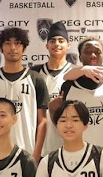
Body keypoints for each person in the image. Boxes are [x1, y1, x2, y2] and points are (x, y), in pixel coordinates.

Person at [50, 37, 103, 157]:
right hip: (76, 154)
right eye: (87, 52)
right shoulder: (69, 85)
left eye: (97, 52)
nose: (93, 55)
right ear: (80, 57)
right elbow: (59, 118)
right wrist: (52, 110)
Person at [0, 27, 49, 162]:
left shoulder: (36, 79)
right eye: (8, 43)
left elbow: (42, 121)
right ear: (1, 48)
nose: (13, 48)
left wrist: (36, 154)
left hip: (27, 152)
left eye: (17, 43)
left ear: (24, 48)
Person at [30, 21, 75, 158]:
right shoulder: (34, 73)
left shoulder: (75, 73)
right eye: (52, 41)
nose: (56, 44)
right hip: (40, 144)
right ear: (47, 45)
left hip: (68, 142)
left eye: (61, 40)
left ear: (68, 45)